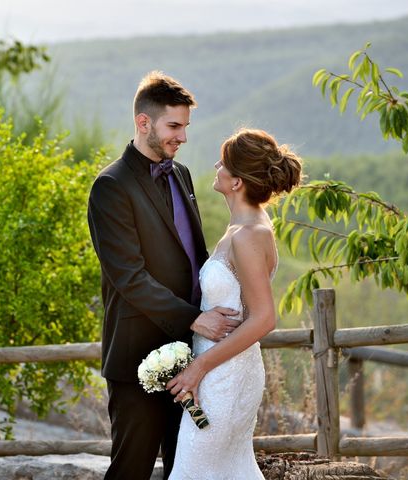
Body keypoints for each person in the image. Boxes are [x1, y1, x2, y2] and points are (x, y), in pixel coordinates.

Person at [87, 71, 241, 480]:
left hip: (192, 353)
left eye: (185, 127)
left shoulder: (182, 174)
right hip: (138, 358)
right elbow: (129, 276)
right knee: (131, 470)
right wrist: (194, 317)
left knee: (186, 468)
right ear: (143, 123)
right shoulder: (110, 186)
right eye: (174, 126)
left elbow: (194, 256)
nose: (183, 137)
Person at [166, 128, 303, 479]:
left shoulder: (248, 235)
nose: (216, 165)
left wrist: (198, 368)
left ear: (238, 181)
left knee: (192, 471)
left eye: (223, 163)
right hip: (219, 372)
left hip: (223, 378)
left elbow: (263, 319)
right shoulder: (243, 228)